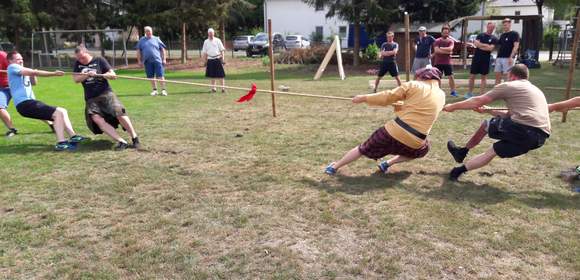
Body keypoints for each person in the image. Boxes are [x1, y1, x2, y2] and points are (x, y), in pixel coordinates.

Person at [325, 66, 445, 175]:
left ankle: (334, 167)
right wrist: (399, 105)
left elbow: (387, 97)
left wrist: (363, 98)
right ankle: (387, 164)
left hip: (393, 132)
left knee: (362, 148)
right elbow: (416, 112)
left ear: (422, 76)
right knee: (423, 150)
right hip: (416, 141)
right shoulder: (442, 95)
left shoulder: (413, 85)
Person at [443, 64, 550, 181]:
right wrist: (489, 110)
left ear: (512, 76)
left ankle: (462, 152)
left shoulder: (510, 85)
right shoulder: (535, 89)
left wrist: (452, 106)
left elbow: (477, 101)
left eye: (508, 77)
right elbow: (509, 116)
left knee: (487, 124)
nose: (507, 79)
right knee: (492, 152)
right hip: (538, 138)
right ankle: (457, 171)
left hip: (524, 129)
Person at [6, 51, 87, 151]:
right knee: (57, 113)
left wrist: (32, 74)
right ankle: (61, 143)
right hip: (24, 104)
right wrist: (53, 73)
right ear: (10, 61)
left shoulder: (22, 70)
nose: (21, 60)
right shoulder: (12, 67)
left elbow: (34, 82)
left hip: (29, 102)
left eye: (21, 58)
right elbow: (34, 72)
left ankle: (73, 136)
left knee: (62, 111)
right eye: (18, 59)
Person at [72, 46, 140, 150]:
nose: (81, 60)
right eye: (78, 58)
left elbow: (113, 74)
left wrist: (106, 75)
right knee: (97, 119)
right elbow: (76, 79)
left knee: (119, 112)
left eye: (82, 57)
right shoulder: (78, 64)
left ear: (87, 53)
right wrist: (87, 75)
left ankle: (135, 138)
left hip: (106, 93)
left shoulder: (99, 60)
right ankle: (121, 141)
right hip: (91, 98)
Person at [466, 22, 498, 99]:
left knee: (483, 77)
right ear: (487, 26)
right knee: (472, 76)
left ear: (494, 28)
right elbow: (476, 44)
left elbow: (490, 48)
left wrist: (482, 45)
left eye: (493, 27)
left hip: (486, 60)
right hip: (476, 58)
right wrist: (486, 46)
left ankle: (481, 94)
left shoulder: (494, 38)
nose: (491, 28)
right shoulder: (480, 35)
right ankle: (469, 93)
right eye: (490, 27)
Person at [136, 26, 168, 96]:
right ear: (145, 32)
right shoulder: (141, 40)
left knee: (160, 75)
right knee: (151, 77)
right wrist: (139, 61)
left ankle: (163, 90)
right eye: (146, 31)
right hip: (147, 62)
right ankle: (155, 90)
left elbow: (163, 50)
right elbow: (138, 51)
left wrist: (164, 59)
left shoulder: (157, 39)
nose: (148, 33)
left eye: (149, 31)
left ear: (151, 31)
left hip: (157, 60)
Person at [432, 25, 457, 97]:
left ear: (449, 33)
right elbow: (436, 51)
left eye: (447, 32)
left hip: (447, 62)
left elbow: (450, 49)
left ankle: (453, 92)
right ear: (441, 33)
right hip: (438, 62)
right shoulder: (437, 41)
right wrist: (447, 51)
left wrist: (441, 48)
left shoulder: (451, 41)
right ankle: (438, 91)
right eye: (444, 32)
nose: (446, 34)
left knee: (451, 77)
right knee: (437, 77)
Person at [495, 18, 520, 85]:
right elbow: (499, 47)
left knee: (507, 77)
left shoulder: (515, 34)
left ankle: (507, 93)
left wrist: (511, 57)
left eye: (506, 25)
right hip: (499, 58)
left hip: (508, 58)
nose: (504, 26)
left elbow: (516, 46)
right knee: (497, 76)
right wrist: (497, 58)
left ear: (510, 24)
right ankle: (497, 93)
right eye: (504, 25)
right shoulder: (502, 35)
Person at [202, 28, 226, 93]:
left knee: (221, 75)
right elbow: (204, 52)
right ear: (208, 34)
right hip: (210, 59)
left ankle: (223, 88)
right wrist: (205, 61)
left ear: (214, 33)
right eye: (210, 34)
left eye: (212, 34)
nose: (211, 35)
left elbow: (222, 50)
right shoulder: (206, 41)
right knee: (212, 75)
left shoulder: (218, 40)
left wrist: (222, 59)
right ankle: (214, 88)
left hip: (217, 59)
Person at [0, 50, 17, 137]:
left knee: (28, 107)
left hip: (8, 86)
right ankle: (12, 129)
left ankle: (51, 123)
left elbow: (13, 69)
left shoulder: (2, 55)